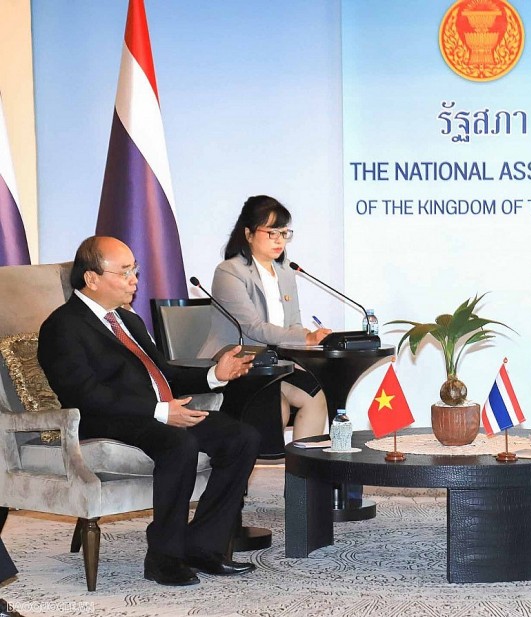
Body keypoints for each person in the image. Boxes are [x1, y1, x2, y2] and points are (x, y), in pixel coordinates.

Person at [38, 236, 261, 587]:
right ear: (91, 278)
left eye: (135, 270)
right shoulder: (62, 326)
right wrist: (159, 412)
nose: (134, 280)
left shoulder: (128, 320)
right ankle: (164, 557)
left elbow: (164, 373)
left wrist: (214, 374)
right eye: (125, 272)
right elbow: (84, 394)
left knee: (241, 437)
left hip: (152, 414)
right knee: (178, 444)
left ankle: (203, 546)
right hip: (104, 422)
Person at [198, 195, 331, 451]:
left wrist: (306, 343)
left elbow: (293, 323)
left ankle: (300, 480)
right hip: (237, 363)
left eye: (284, 232)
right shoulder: (229, 271)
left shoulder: (286, 272)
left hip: (275, 365)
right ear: (248, 234)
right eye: (272, 232)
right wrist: (306, 338)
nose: (279, 239)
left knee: (316, 395)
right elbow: (253, 328)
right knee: (275, 403)